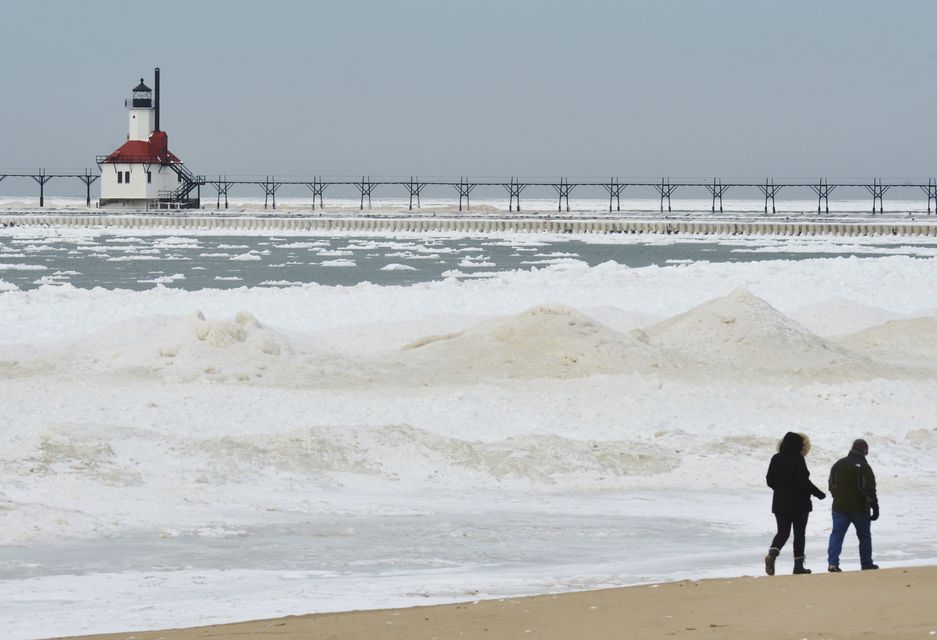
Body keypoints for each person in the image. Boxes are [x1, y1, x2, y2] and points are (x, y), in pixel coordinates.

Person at [765, 432, 826, 575]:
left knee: (783, 531)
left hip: (779, 502)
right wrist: (819, 494)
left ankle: (772, 554)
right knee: (799, 534)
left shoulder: (776, 458)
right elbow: (803, 482)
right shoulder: (798, 459)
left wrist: (780, 489)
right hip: (799, 503)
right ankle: (798, 567)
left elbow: (769, 480)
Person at [827, 438, 879, 572]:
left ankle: (833, 563)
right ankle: (866, 563)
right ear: (864, 451)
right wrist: (875, 506)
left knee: (836, 535)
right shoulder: (864, 467)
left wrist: (838, 497)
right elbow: (869, 489)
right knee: (864, 537)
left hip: (839, 507)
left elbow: (831, 484)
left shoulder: (838, 464)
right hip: (859, 509)